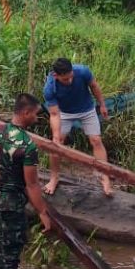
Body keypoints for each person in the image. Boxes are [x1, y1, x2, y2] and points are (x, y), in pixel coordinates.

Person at [0, 93, 53, 269]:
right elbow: (31, 184)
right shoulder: (27, 145)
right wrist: (42, 212)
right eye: (35, 114)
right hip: (11, 207)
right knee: (9, 258)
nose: (37, 118)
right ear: (25, 112)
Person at [43, 57, 113, 198]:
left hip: (87, 109)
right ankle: (54, 177)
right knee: (56, 144)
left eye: (70, 77)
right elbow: (55, 114)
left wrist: (102, 104)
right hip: (64, 113)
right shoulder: (50, 88)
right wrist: (56, 136)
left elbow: (94, 86)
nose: (69, 81)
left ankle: (105, 178)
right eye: (65, 79)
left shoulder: (82, 71)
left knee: (96, 140)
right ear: (55, 75)